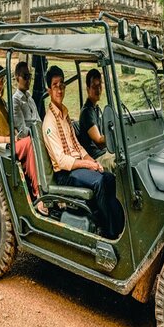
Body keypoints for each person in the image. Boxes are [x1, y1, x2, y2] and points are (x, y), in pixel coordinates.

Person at [42, 65, 122, 238]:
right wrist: (87, 163)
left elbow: (77, 146)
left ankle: (119, 226)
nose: (60, 89)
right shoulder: (49, 123)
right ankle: (109, 233)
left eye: (62, 84)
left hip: (77, 166)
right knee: (99, 182)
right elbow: (62, 160)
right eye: (55, 85)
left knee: (109, 178)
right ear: (49, 89)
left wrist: (91, 162)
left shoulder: (64, 113)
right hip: (65, 173)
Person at [0, 64, 45, 214]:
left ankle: (41, 191)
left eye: (2, 81)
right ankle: (38, 193)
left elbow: (11, 123)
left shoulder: (2, 103)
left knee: (34, 145)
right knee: (29, 143)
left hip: (13, 141)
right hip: (4, 145)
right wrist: (9, 139)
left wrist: (15, 134)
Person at [78, 69, 115, 173]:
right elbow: (99, 141)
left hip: (104, 153)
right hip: (95, 157)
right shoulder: (87, 112)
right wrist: (115, 134)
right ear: (88, 89)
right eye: (94, 87)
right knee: (118, 163)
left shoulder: (97, 109)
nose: (98, 90)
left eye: (100, 86)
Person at [12, 61, 41, 138]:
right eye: (25, 76)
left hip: (38, 135)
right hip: (30, 139)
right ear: (17, 77)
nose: (28, 80)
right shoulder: (15, 100)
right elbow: (22, 131)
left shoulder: (30, 98)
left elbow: (39, 120)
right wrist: (37, 132)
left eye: (29, 76)